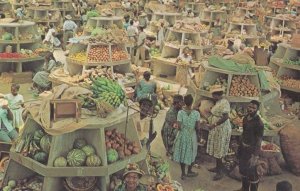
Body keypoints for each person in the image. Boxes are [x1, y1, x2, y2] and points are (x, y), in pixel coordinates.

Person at [234, 100, 264, 191]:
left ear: (257, 110)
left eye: (253, 108)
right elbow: (244, 132)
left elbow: (259, 140)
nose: (251, 109)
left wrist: (255, 156)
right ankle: (244, 188)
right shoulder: (245, 118)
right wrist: (239, 145)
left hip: (252, 151)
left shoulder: (259, 123)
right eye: (250, 107)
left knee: (252, 173)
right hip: (243, 148)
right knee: (243, 169)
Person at [206, 87, 232, 181]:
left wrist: (214, 124)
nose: (213, 97)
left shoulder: (225, 102)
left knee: (219, 150)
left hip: (222, 129)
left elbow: (225, 117)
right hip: (217, 128)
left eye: (214, 95)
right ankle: (217, 167)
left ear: (218, 94)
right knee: (217, 148)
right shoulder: (218, 102)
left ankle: (220, 172)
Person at [173, 94, 200, 180]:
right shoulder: (196, 113)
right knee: (192, 153)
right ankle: (189, 171)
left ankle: (183, 173)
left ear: (184, 102)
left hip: (182, 135)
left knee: (182, 153)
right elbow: (198, 127)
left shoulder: (180, 113)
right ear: (192, 102)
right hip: (191, 135)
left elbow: (179, 126)